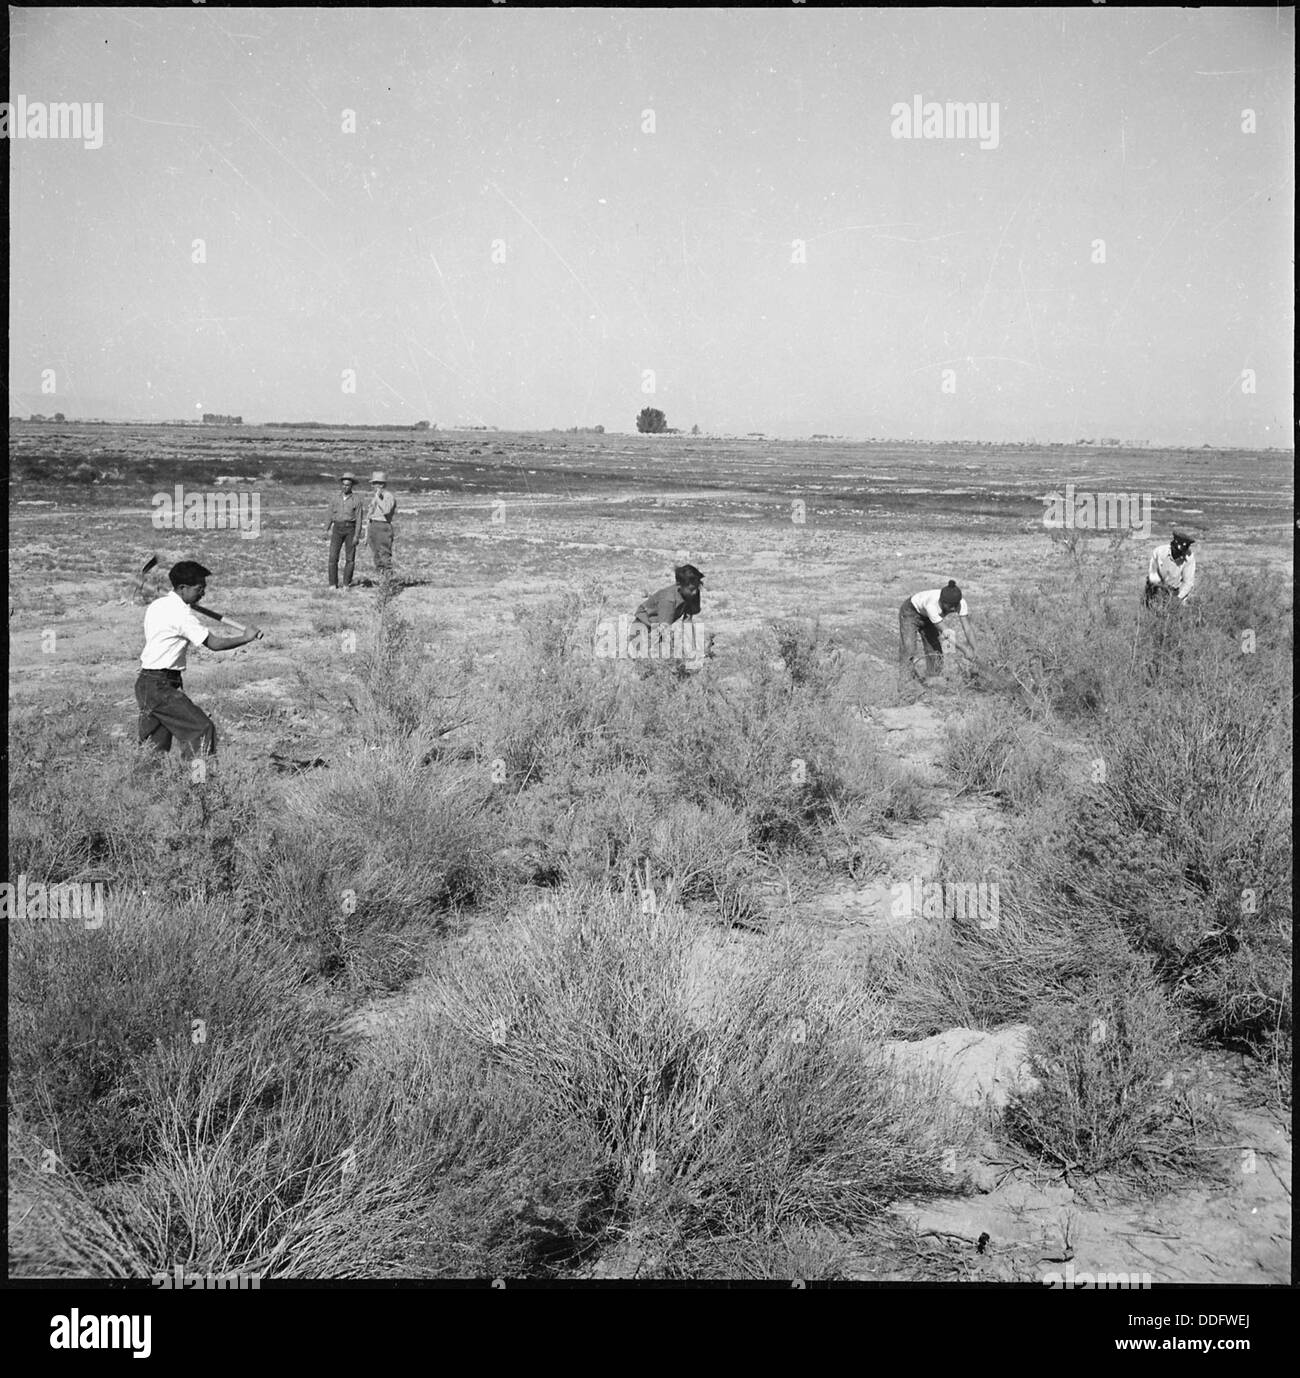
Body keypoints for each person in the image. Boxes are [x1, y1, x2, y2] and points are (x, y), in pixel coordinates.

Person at [136, 560, 262, 758]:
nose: (202, 593)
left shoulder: (158, 605)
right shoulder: (181, 615)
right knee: (201, 730)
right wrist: (245, 638)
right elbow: (214, 644)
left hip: (147, 683)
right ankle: (198, 783)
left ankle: (145, 787)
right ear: (182, 588)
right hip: (160, 687)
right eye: (199, 588)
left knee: (154, 747)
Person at [899, 580, 976, 689]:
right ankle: (904, 684)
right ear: (942, 601)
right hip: (911, 612)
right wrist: (965, 649)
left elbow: (967, 628)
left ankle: (933, 681)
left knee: (935, 651)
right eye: (950, 606)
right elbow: (945, 632)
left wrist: (975, 650)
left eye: (955, 605)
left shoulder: (960, 603)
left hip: (929, 619)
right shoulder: (931, 605)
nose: (953, 609)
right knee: (909, 648)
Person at [325, 471, 364, 589]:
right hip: (337, 528)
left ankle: (346, 583)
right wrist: (325, 529)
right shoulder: (335, 498)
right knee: (333, 557)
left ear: (351, 486)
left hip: (350, 529)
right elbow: (329, 514)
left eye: (347, 485)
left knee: (350, 558)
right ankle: (333, 584)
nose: (345, 487)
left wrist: (357, 535)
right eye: (343, 484)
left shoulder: (356, 500)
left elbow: (359, 519)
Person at [634, 564, 704, 629]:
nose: (695, 592)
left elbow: (688, 621)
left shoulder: (691, 594)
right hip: (643, 627)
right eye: (691, 589)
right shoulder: (668, 600)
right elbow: (664, 629)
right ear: (679, 585)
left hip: (659, 627)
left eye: (697, 587)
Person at [1144, 528, 1196, 608]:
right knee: (1152, 607)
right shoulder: (1159, 552)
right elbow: (1153, 574)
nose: (1179, 555)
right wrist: (1159, 591)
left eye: (1181, 553)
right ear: (1172, 546)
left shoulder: (1189, 557)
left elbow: (1188, 582)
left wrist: (1177, 598)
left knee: (1180, 610)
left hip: (1175, 590)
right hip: (1157, 587)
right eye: (1177, 552)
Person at [364, 470, 397, 575]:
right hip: (373, 525)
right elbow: (369, 514)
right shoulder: (375, 497)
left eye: (377, 483)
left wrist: (378, 498)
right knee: (376, 554)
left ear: (382, 484)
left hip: (383, 526)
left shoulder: (388, 496)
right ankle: (381, 578)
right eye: (374, 483)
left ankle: (388, 579)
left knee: (384, 554)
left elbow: (386, 510)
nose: (374, 486)